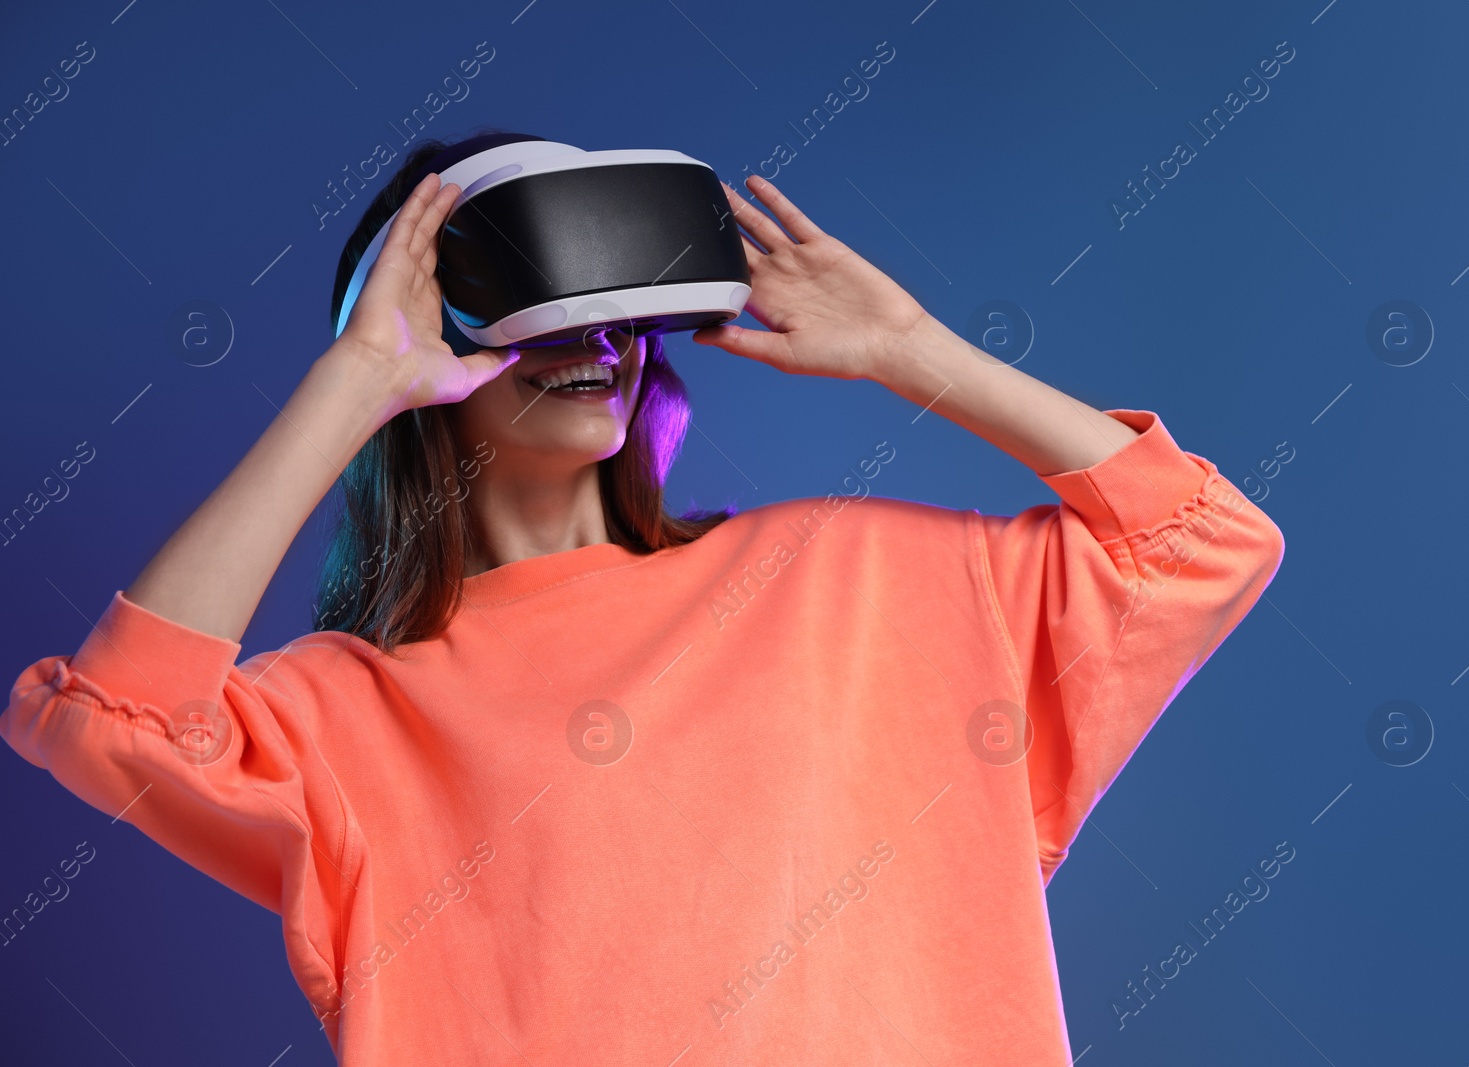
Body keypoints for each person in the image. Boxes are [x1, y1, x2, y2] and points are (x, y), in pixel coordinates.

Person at [2, 128, 1285, 1065]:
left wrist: (912, 353)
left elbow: (1200, 542)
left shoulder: (849, 576)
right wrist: (355, 383)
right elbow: (112, 715)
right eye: (540, 306)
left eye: (623, 312)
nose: (595, 340)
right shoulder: (348, 717)